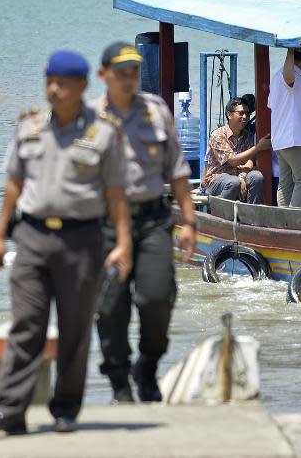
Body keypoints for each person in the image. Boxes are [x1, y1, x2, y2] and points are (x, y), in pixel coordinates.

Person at [0, 51, 132, 434]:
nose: (53, 89)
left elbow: (116, 194)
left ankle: (65, 408)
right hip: (31, 236)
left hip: (82, 239)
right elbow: (13, 184)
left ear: (83, 86)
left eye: (62, 83)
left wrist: (124, 244)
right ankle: (9, 410)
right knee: (27, 324)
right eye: (49, 81)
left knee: (75, 327)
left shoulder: (103, 133)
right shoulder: (29, 127)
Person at [93, 42, 197, 403]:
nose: (129, 79)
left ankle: (148, 365)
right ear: (103, 75)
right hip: (105, 224)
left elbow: (178, 171)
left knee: (157, 297)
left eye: (134, 71)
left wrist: (189, 222)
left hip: (153, 217)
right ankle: (119, 381)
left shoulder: (155, 111)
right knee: (110, 306)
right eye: (121, 72)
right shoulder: (88, 120)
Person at [268, 44, 301, 207]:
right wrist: (290, 48)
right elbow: (288, 78)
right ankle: (295, 225)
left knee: (285, 184)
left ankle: (283, 224)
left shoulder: (276, 77)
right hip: (296, 140)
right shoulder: (289, 76)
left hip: (281, 141)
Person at [202, 96, 271, 203]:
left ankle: (250, 216)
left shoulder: (247, 135)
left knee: (256, 177)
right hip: (215, 181)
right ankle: (222, 216)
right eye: (241, 113)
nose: (245, 117)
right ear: (229, 115)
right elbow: (233, 160)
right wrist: (258, 147)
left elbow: (250, 159)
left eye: (247, 114)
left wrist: (243, 176)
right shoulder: (218, 135)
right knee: (233, 182)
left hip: (237, 177)